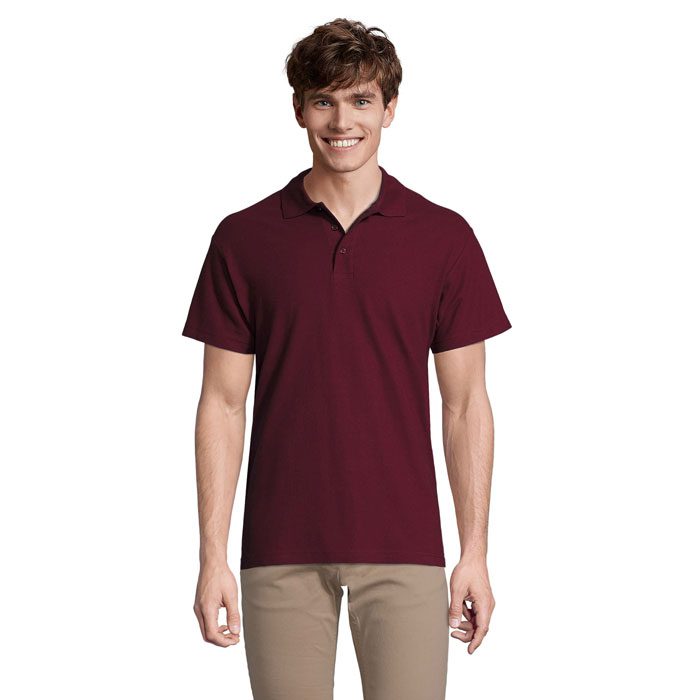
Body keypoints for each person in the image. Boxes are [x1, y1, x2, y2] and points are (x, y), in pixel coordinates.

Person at [182, 17, 512, 700]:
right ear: (298, 109)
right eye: (324, 100)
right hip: (279, 549)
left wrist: (474, 551)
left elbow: (465, 405)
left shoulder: (444, 238)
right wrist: (212, 556)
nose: (342, 121)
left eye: (361, 99)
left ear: (390, 109)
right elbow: (222, 403)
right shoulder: (243, 239)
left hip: (406, 548)